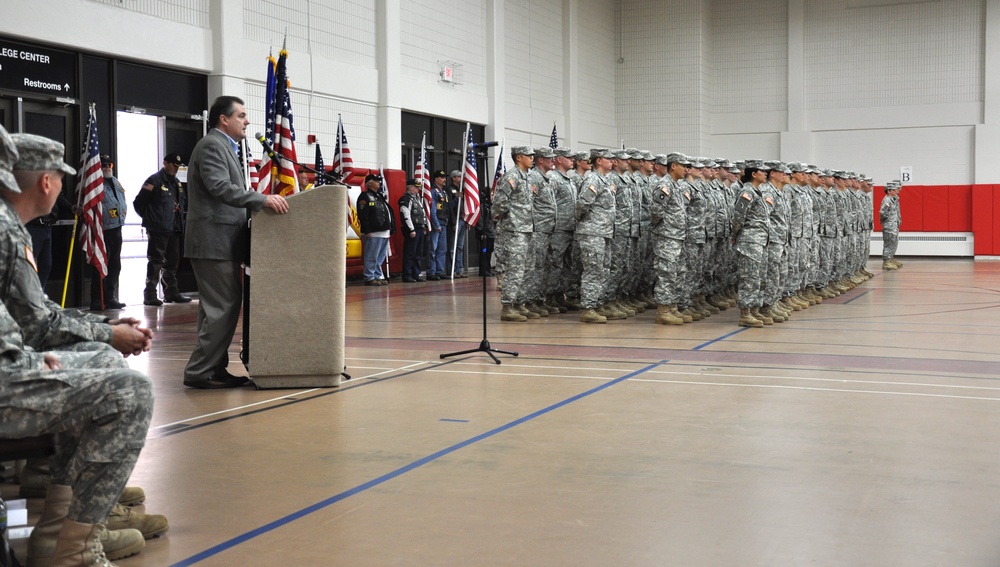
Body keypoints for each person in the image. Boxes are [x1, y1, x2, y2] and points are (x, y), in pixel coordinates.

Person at [0, 127, 157, 566]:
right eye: (62, 178)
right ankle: (73, 549)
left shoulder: (11, 227)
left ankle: (66, 525)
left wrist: (104, 328)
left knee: (104, 363)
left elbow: (36, 316)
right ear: (46, 183)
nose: (66, 187)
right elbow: (39, 324)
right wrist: (110, 333)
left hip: (13, 361)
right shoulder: (5, 230)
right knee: (128, 391)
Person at [183, 95, 289, 389]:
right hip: (212, 241)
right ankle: (199, 371)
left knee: (214, 308)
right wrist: (261, 199)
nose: (247, 121)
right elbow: (219, 188)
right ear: (223, 119)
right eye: (241, 115)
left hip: (220, 241)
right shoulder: (212, 146)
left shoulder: (223, 146)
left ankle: (214, 368)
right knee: (224, 307)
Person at [134, 152, 190, 307]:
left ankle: (171, 292)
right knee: (156, 262)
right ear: (165, 163)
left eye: (178, 166)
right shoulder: (154, 180)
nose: (176, 168)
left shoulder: (177, 183)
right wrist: (151, 220)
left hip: (174, 228)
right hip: (158, 229)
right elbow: (138, 203)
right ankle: (150, 295)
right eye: (173, 165)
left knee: (172, 262)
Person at [492, 146, 535, 322]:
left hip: (526, 229)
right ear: (519, 158)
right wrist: (509, 219)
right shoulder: (512, 177)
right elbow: (500, 202)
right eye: (529, 156)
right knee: (515, 270)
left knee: (527, 270)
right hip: (514, 230)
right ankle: (508, 307)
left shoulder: (526, 178)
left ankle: (519, 304)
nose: (532, 158)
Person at [83, 154, 128, 311]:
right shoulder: (96, 184)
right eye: (104, 165)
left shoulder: (115, 182)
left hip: (117, 228)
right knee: (101, 264)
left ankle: (110, 297)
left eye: (109, 164)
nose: (107, 167)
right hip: (103, 230)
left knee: (115, 265)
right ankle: (97, 298)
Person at [356, 173, 394, 285]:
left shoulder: (379, 196)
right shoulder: (365, 196)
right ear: (369, 183)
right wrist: (366, 230)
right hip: (373, 232)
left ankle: (377, 275)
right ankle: (369, 277)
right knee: (371, 255)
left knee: (380, 256)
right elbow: (363, 214)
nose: (378, 182)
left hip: (384, 231)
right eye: (376, 181)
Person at [398, 178, 427, 282]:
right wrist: (411, 229)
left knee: (418, 253)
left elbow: (422, 213)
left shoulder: (417, 199)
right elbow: (406, 215)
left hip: (420, 228)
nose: (418, 189)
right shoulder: (405, 199)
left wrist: (425, 225)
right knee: (410, 253)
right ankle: (407, 274)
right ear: (410, 187)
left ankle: (416, 273)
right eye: (416, 187)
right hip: (413, 229)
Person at [445, 170, 468, 278]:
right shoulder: (449, 189)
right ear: (453, 178)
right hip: (455, 219)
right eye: (458, 177)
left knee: (460, 246)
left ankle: (459, 269)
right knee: (452, 247)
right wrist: (454, 222)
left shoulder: (462, 189)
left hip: (463, 219)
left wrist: (467, 219)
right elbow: (449, 206)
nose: (460, 178)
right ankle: (452, 270)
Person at [426, 170, 448, 280]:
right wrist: (436, 224)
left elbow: (446, 208)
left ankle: (440, 270)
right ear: (436, 179)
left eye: (445, 177)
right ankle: (431, 271)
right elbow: (432, 210)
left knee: (442, 249)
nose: (444, 179)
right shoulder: (433, 192)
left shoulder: (443, 192)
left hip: (444, 222)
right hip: (437, 223)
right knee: (433, 248)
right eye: (442, 177)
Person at [880, 180, 902, 270]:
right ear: (889, 191)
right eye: (893, 189)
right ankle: (886, 261)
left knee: (893, 242)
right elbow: (882, 212)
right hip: (889, 225)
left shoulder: (894, 199)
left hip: (893, 224)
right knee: (889, 243)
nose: (896, 190)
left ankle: (890, 258)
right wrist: (886, 221)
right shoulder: (887, 200)